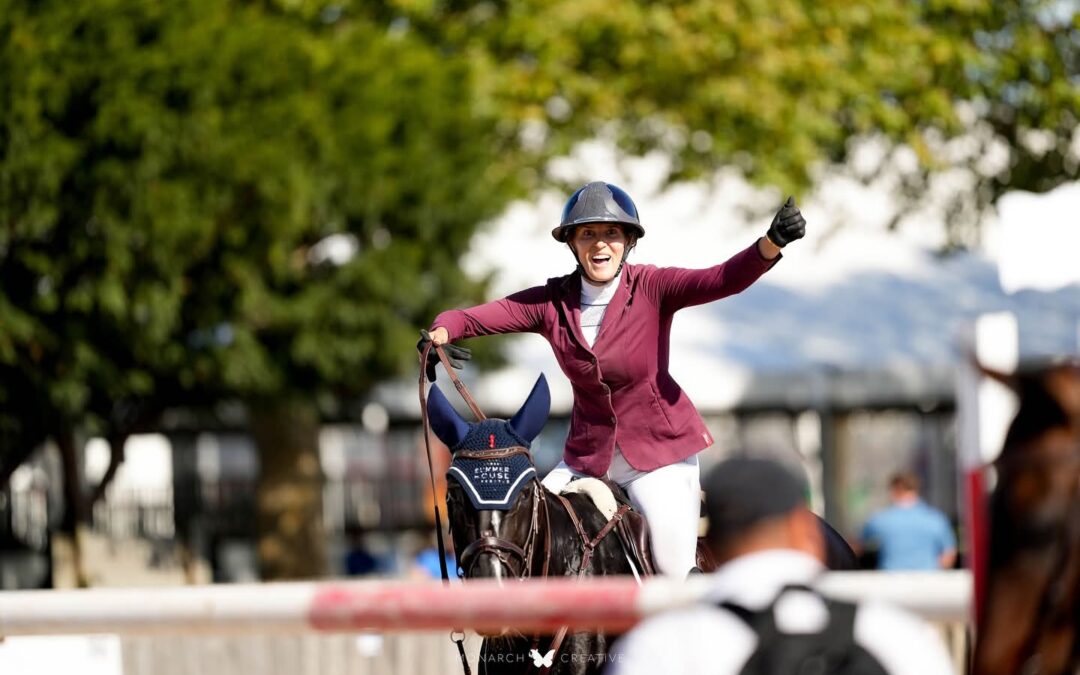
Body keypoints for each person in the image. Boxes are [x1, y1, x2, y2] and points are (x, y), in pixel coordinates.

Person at [420, 181, 806, 576]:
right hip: (586, 459)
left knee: (674, 570)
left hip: (657, 458)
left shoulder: (653, 287)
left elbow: (721, 278)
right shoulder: (553, 302)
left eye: (611, 234)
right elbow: (473, 318)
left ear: (628, 242)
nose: (599, 245)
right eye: (587, 234)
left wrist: (770, 244)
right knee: (530, 531)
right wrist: (440, 333)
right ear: (572, 242)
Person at [607, 457, 955, 675]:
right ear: (805, 530)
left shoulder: (659, 649)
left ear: (716, 545)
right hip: (921, 601)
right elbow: (947, 557)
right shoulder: (898, 638)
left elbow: (865, 545)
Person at [860, 471, 957, 571]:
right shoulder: (936, 519)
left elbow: (858, 546)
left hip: (890, 582)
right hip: (928, 580)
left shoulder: (880, 520)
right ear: (916, 489)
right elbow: (949, 555)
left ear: (895, 490)